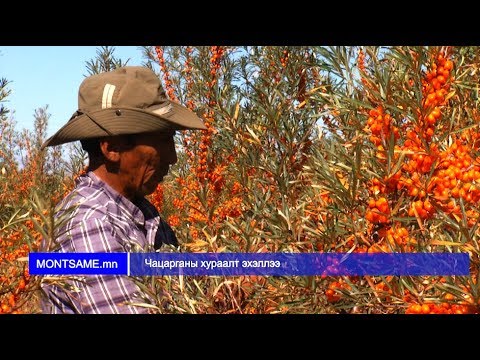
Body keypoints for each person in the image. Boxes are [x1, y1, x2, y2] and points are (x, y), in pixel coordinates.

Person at [39, 66, 206, 314]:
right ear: (112, 148)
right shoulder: (88, 226)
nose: (172, 157)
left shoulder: (139, 210)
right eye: (162, 140)